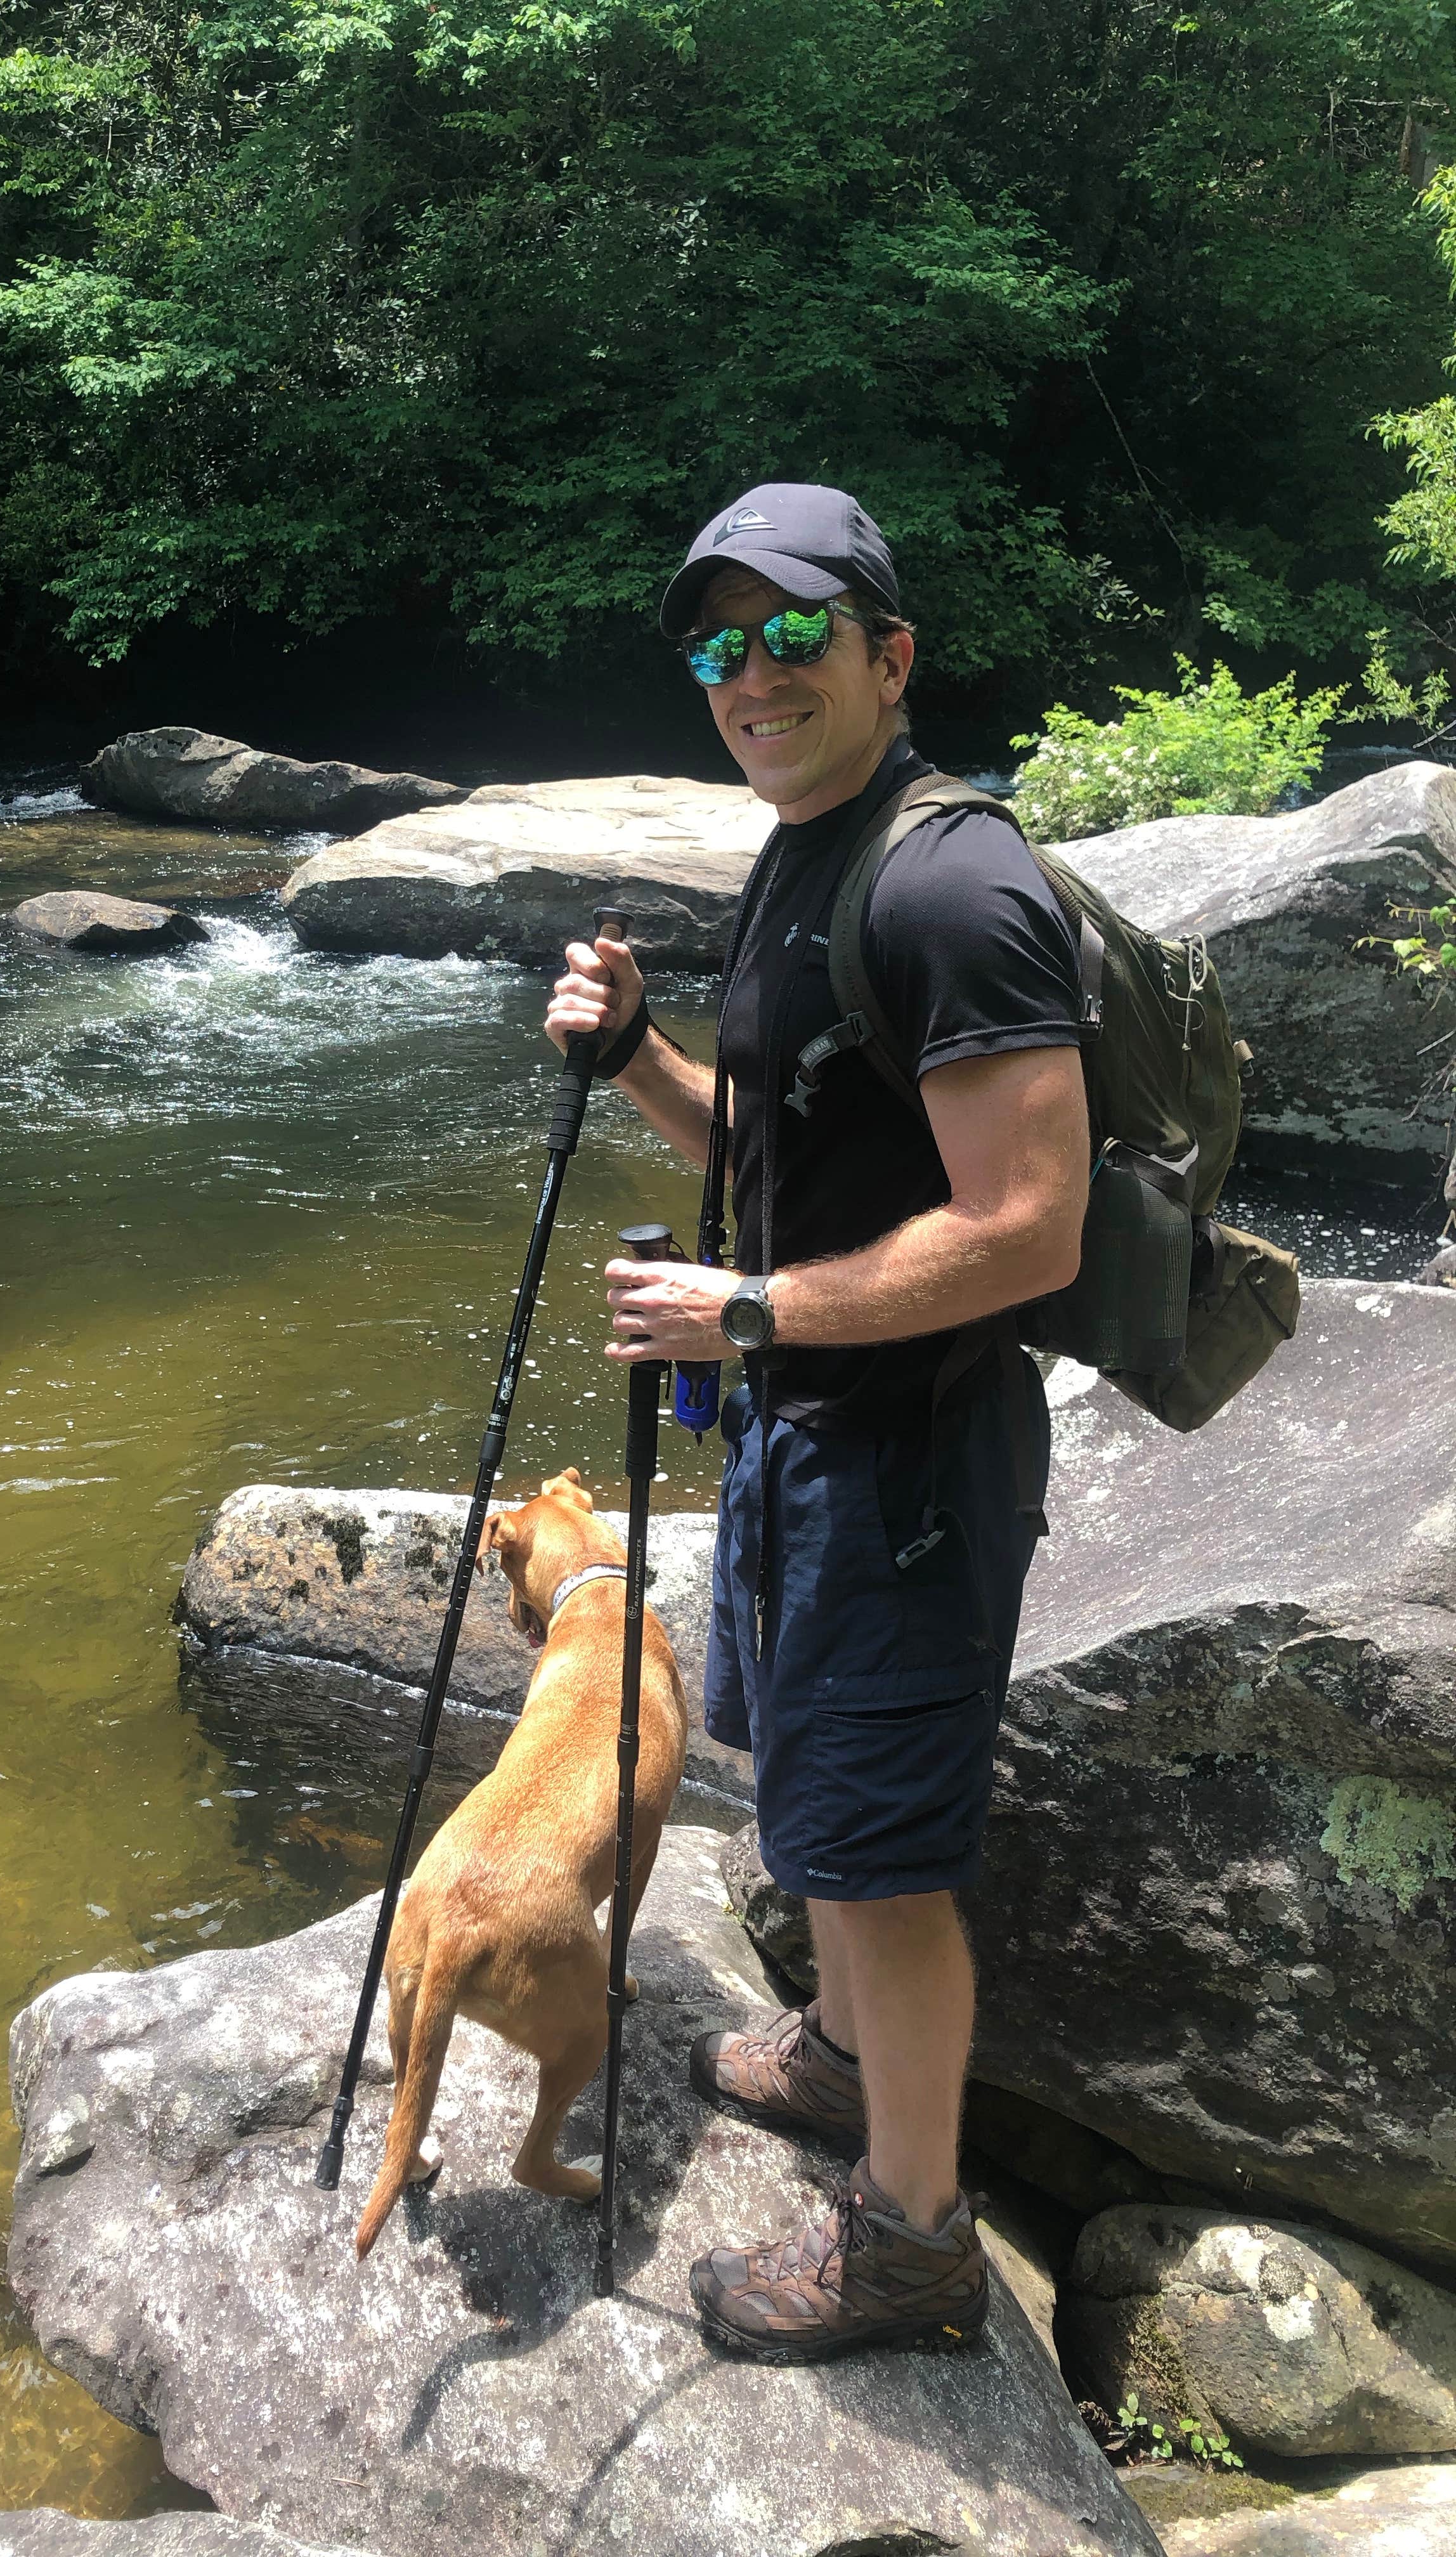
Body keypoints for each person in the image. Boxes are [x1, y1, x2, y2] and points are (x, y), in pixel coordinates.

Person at [544, 483, 1091, 2361]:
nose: (750, 674)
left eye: (791, 633)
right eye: (717, 645)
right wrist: (638, 1056)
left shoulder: (952, 886)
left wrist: (753, 1311)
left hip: (910, 1460)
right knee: (815, 1801)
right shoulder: (803, 852)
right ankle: (844, 2058)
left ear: (889, 654)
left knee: (884, 1860)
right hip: (806, 1432)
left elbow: (1032, 1229)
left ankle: (915, 2246)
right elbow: (771, 1156)